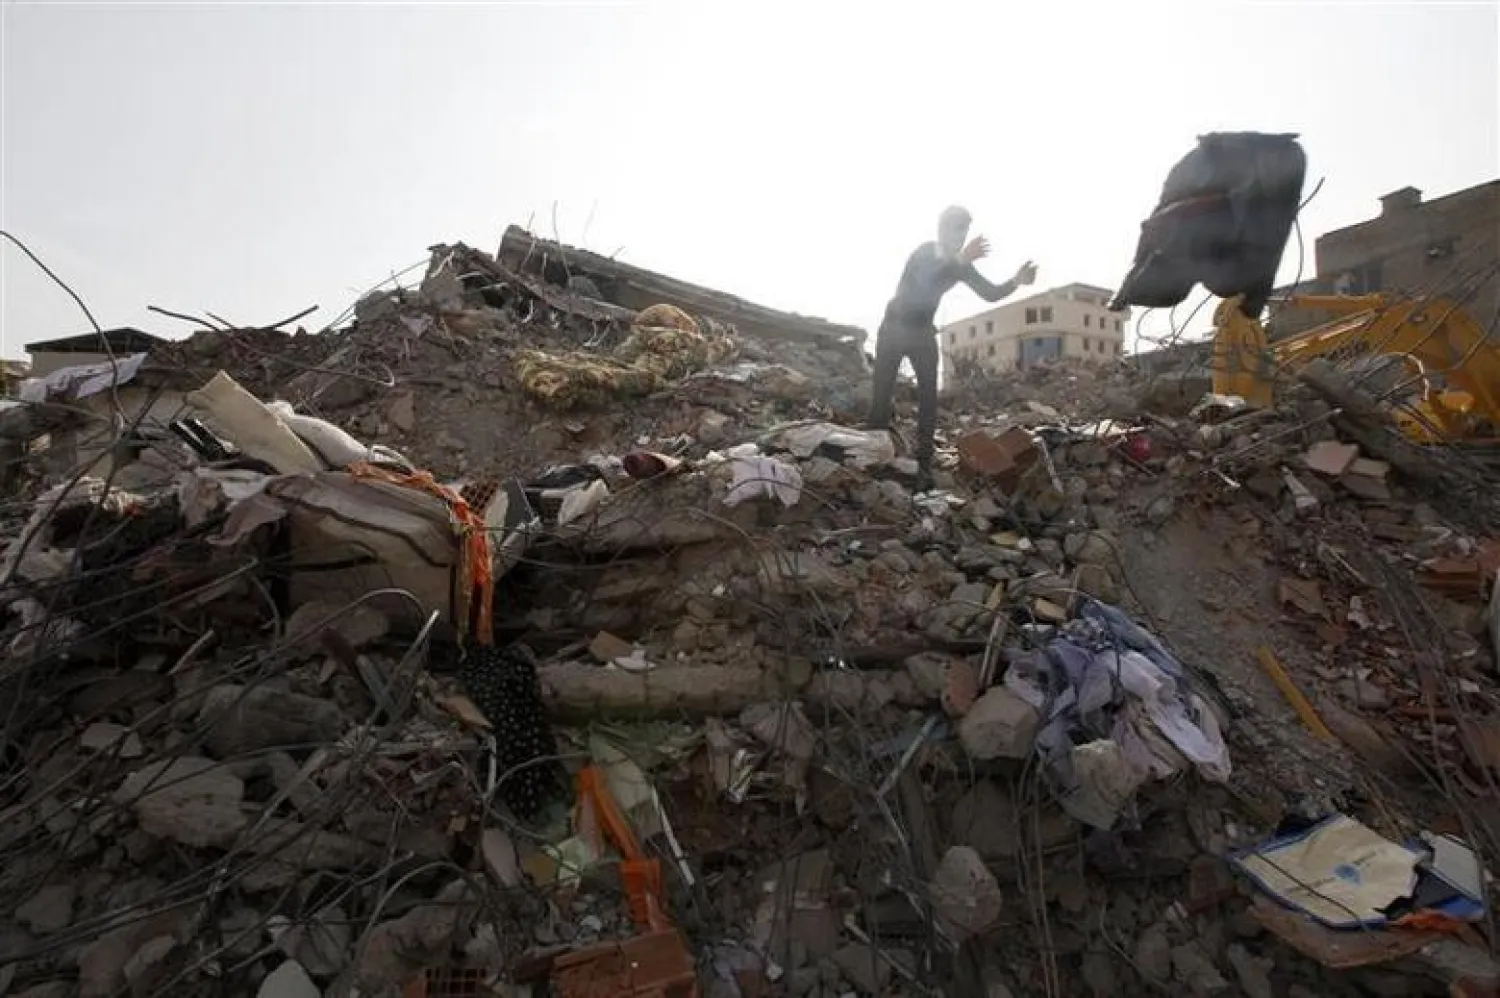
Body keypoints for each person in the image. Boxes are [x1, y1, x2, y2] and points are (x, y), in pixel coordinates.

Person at [866, 206, 1037, 487]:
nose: (960, 236)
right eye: (956, 230)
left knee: (928, 401)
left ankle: (924, 467)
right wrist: (959, 259)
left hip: (922, 334)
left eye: (964, 232)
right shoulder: (926, 253)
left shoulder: (961, 264)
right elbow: (925, 283)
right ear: (941, 229)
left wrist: (1016, 281)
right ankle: (872, 459)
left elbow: (989, 293)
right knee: (881, 398)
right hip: (894, 329)